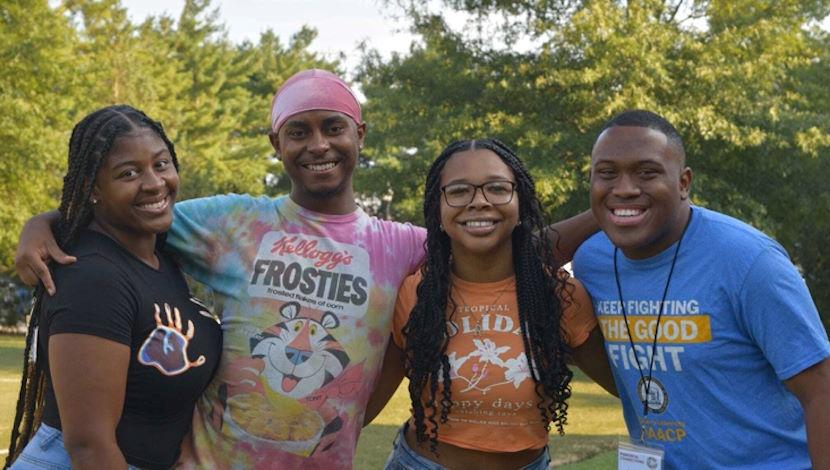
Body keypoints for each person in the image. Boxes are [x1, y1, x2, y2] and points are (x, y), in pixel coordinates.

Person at [14, 70, 599, 469]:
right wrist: (45, 223)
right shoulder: (229, 223)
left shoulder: (399, 245)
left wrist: (600, 213)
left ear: (358, 135)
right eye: (299, 131)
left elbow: (508, 245)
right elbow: (127, 212)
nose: (317, 144)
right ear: (277, 143)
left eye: (332, 127)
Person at [572, 109, 830, 469]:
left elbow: (821, 389)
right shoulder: (592, 262)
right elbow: (515, 257)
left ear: (683, 183)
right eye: (607, 173)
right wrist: (614, 205)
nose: (626, 187)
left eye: (647, 173)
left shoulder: (748, 261)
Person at [365, 139, 616, 469]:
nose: (479, 202)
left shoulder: (559, 295)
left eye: (497, 188)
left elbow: (628, 386)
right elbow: (362, 408)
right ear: (437, 211)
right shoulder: (416, 295)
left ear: (519, 202)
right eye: (458, 191)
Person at [5, 105, 222, 470]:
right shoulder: (94, 277)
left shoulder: (160, 256)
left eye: (161, 164)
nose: (154, 183)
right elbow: (89, 446)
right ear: (93, 188)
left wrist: (44, 221)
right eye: (129, 173)